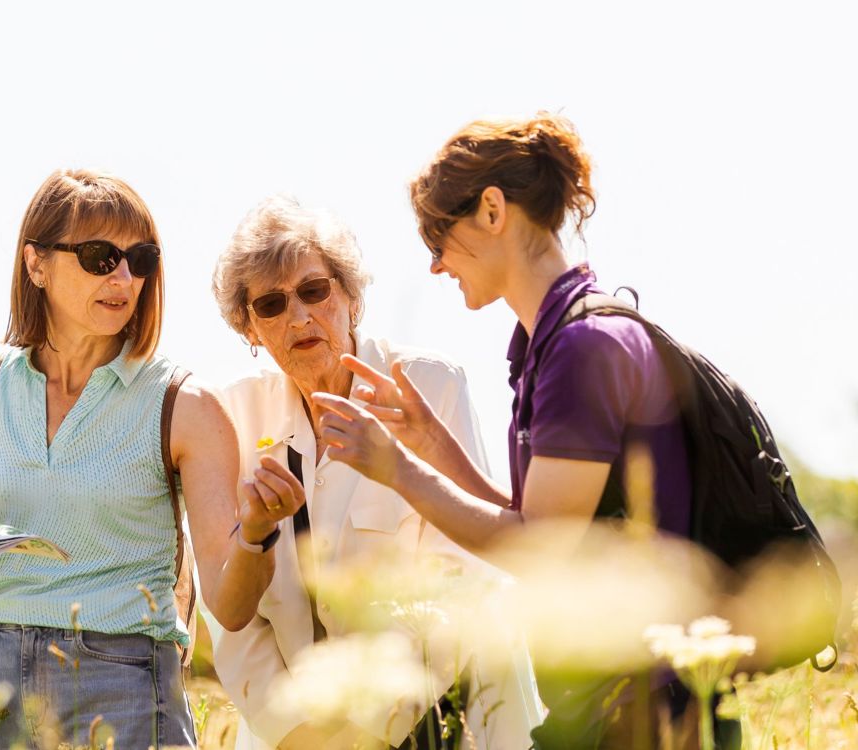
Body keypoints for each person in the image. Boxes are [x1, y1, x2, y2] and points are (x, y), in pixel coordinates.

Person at [311, 114, 742, 748]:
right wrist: (433, 446)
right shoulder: (553, 343)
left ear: (491, 210)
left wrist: (399, 470)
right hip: (609, 700)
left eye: (438, 238)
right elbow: (542, 520)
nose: (435, 265)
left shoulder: (581, 349)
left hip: (646, 708)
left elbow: (537, 546)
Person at [0, 169, 298, 749]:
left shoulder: (186, 406)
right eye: (100, 256)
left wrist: (258, 534)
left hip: (126, 689)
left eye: (141, 258)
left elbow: (230, 607)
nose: (125, 278)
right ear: (36, 265)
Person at [209, 195, 543, 750]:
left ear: (350, 296)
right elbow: (233, 620)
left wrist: (368, 730)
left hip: (444, 718)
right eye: (270, 304)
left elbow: (459, 574)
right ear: (249, 328)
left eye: (314, 290)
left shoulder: (427, 385)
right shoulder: (233, 418)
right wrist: (299, 735)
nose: (299, 315)